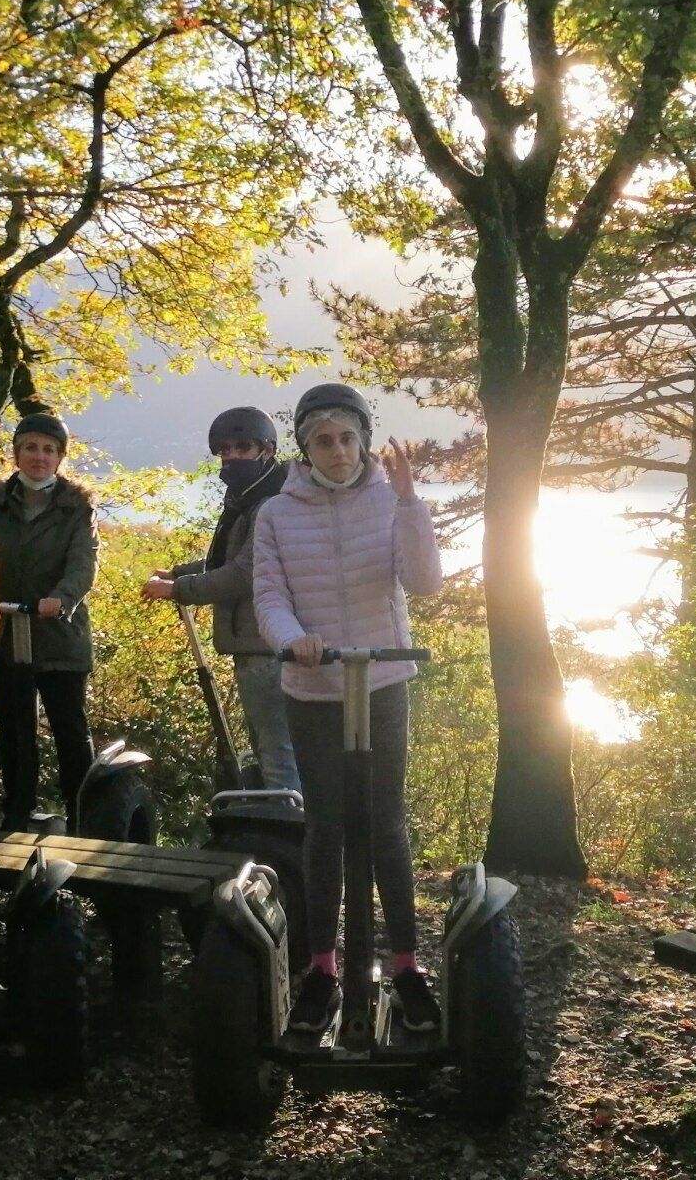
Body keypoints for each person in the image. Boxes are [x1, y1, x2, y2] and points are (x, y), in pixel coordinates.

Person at [251, 382, 444, 1034]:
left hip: (382, 681)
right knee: (326, 827)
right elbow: (269, 597)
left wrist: (413, 502)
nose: (336, 450)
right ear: (304, 447)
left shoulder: (391, 499)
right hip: (314, 688)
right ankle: (323, 969)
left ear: (362, 440)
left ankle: (407, 966)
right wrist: (291, 640)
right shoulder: (276, 514)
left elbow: (423, 583)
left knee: (385, 824)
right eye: (323, 440)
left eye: (346, 438)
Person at [140, 405, 299, 794]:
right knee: (268, 750)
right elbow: (227, 559)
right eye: (224, 450)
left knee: (277, 754)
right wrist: (179, 573)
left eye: (242, 447)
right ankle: (280, 831)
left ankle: (291, 841)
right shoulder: (250, 497)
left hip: (265, 646)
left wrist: (179, 590)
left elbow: (245, 573)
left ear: (267, 450)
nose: (232, 457)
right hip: (254, 643)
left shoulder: (269, 504)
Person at [0, 412, 97, 830]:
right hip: (8, 632)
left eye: (49, 450)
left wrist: (61, 599)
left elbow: (83, 564)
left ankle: (83, 812)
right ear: (16, 453)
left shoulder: (76, 507)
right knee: (14, 728)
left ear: (60, 457)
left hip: (60, 634)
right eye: (30, 447)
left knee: (68, 725)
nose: (39, 457)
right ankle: (19, 811)